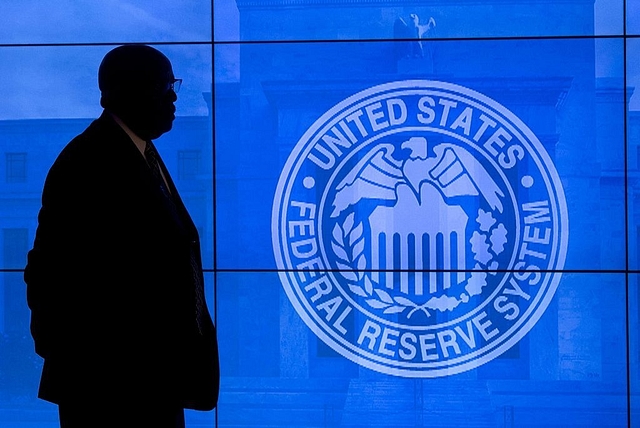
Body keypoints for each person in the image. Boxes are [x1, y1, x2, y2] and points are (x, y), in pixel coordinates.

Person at [24, 44, 219, 427]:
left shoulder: (141, 153)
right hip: (112, 390)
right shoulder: (87, 161)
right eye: (166, 85)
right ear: (130, 90)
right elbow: (49, 272)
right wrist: (82, 361)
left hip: (152, 383)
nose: (175, 96)